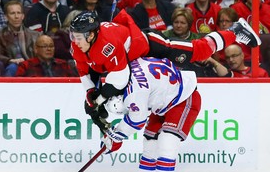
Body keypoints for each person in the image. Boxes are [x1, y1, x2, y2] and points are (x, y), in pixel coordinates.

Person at [69, 9, 261, 131]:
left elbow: (119, 79)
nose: (75, 40)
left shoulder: (106, 45)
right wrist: (90, 94)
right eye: (73, 35)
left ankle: (235, 31)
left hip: (151, 46)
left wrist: (99, 99)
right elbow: (85, 71)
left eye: (79, 36)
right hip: (135, 58)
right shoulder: (79, 45)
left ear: (92, 34)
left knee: (197, 51)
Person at [100, 56, 201, 172]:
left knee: (167, 142)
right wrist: (114, 135)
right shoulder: (124, 71)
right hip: (162, 100)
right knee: (150, 144)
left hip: (183, 97)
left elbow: (136, 121)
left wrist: (115, 136)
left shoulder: (134, 94)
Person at [163, 7, 231, 77]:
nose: (178, 26)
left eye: (182, 23)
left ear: (189, 25)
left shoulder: (197, 39)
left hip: (193, 72)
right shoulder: (164, 36)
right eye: (176, 22)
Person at [0, 0, 41, 76]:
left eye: (19, 13)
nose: (16, 17)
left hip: (30, 66)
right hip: (11, 66)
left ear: (23, 16)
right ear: (6, 17)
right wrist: (11, 60)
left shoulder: (35, 35)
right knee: (13, 67)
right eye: (12, 13)